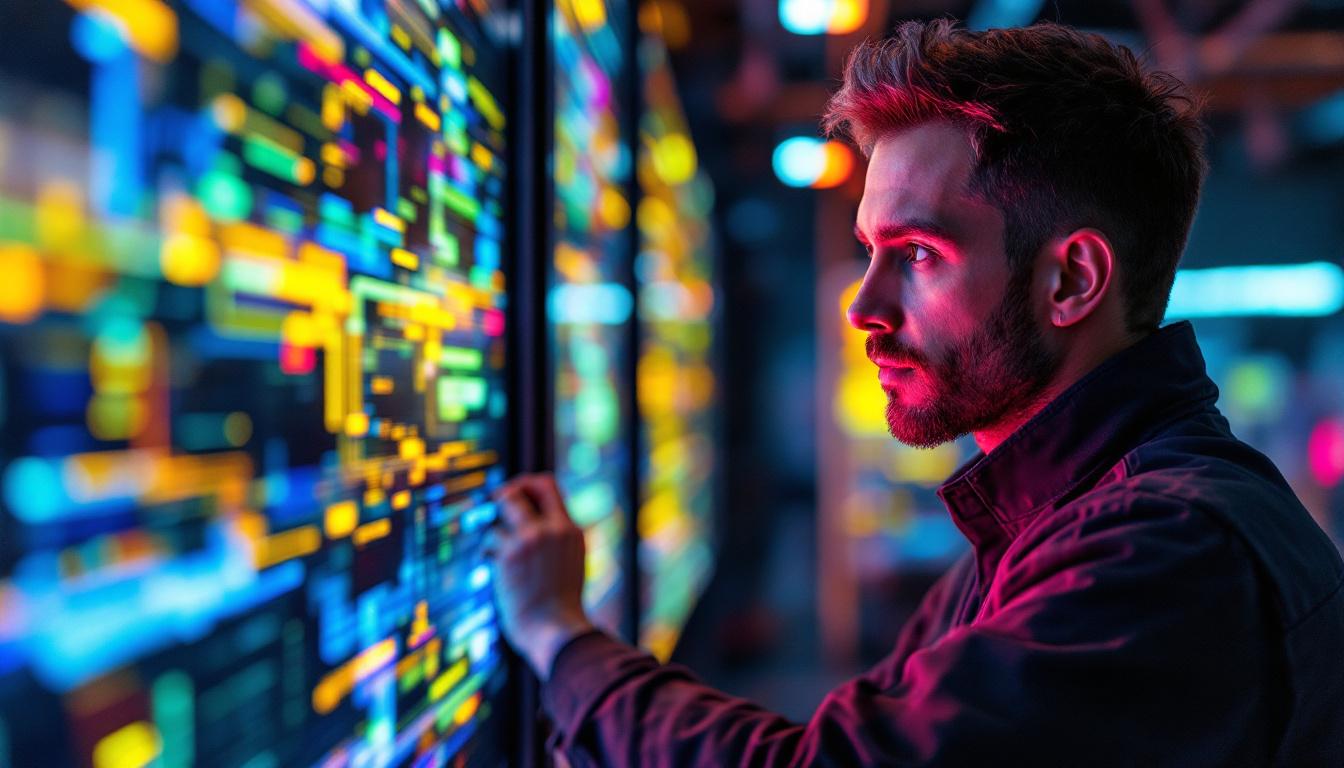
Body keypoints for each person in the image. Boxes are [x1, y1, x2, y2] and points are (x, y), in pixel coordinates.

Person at [486, 19, 1344, 767]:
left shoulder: (1165, 551)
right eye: (868, 249)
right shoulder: (1044, 517)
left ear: (1072, 280)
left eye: (920, 253)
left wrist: (560, 636)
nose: (863, 306)